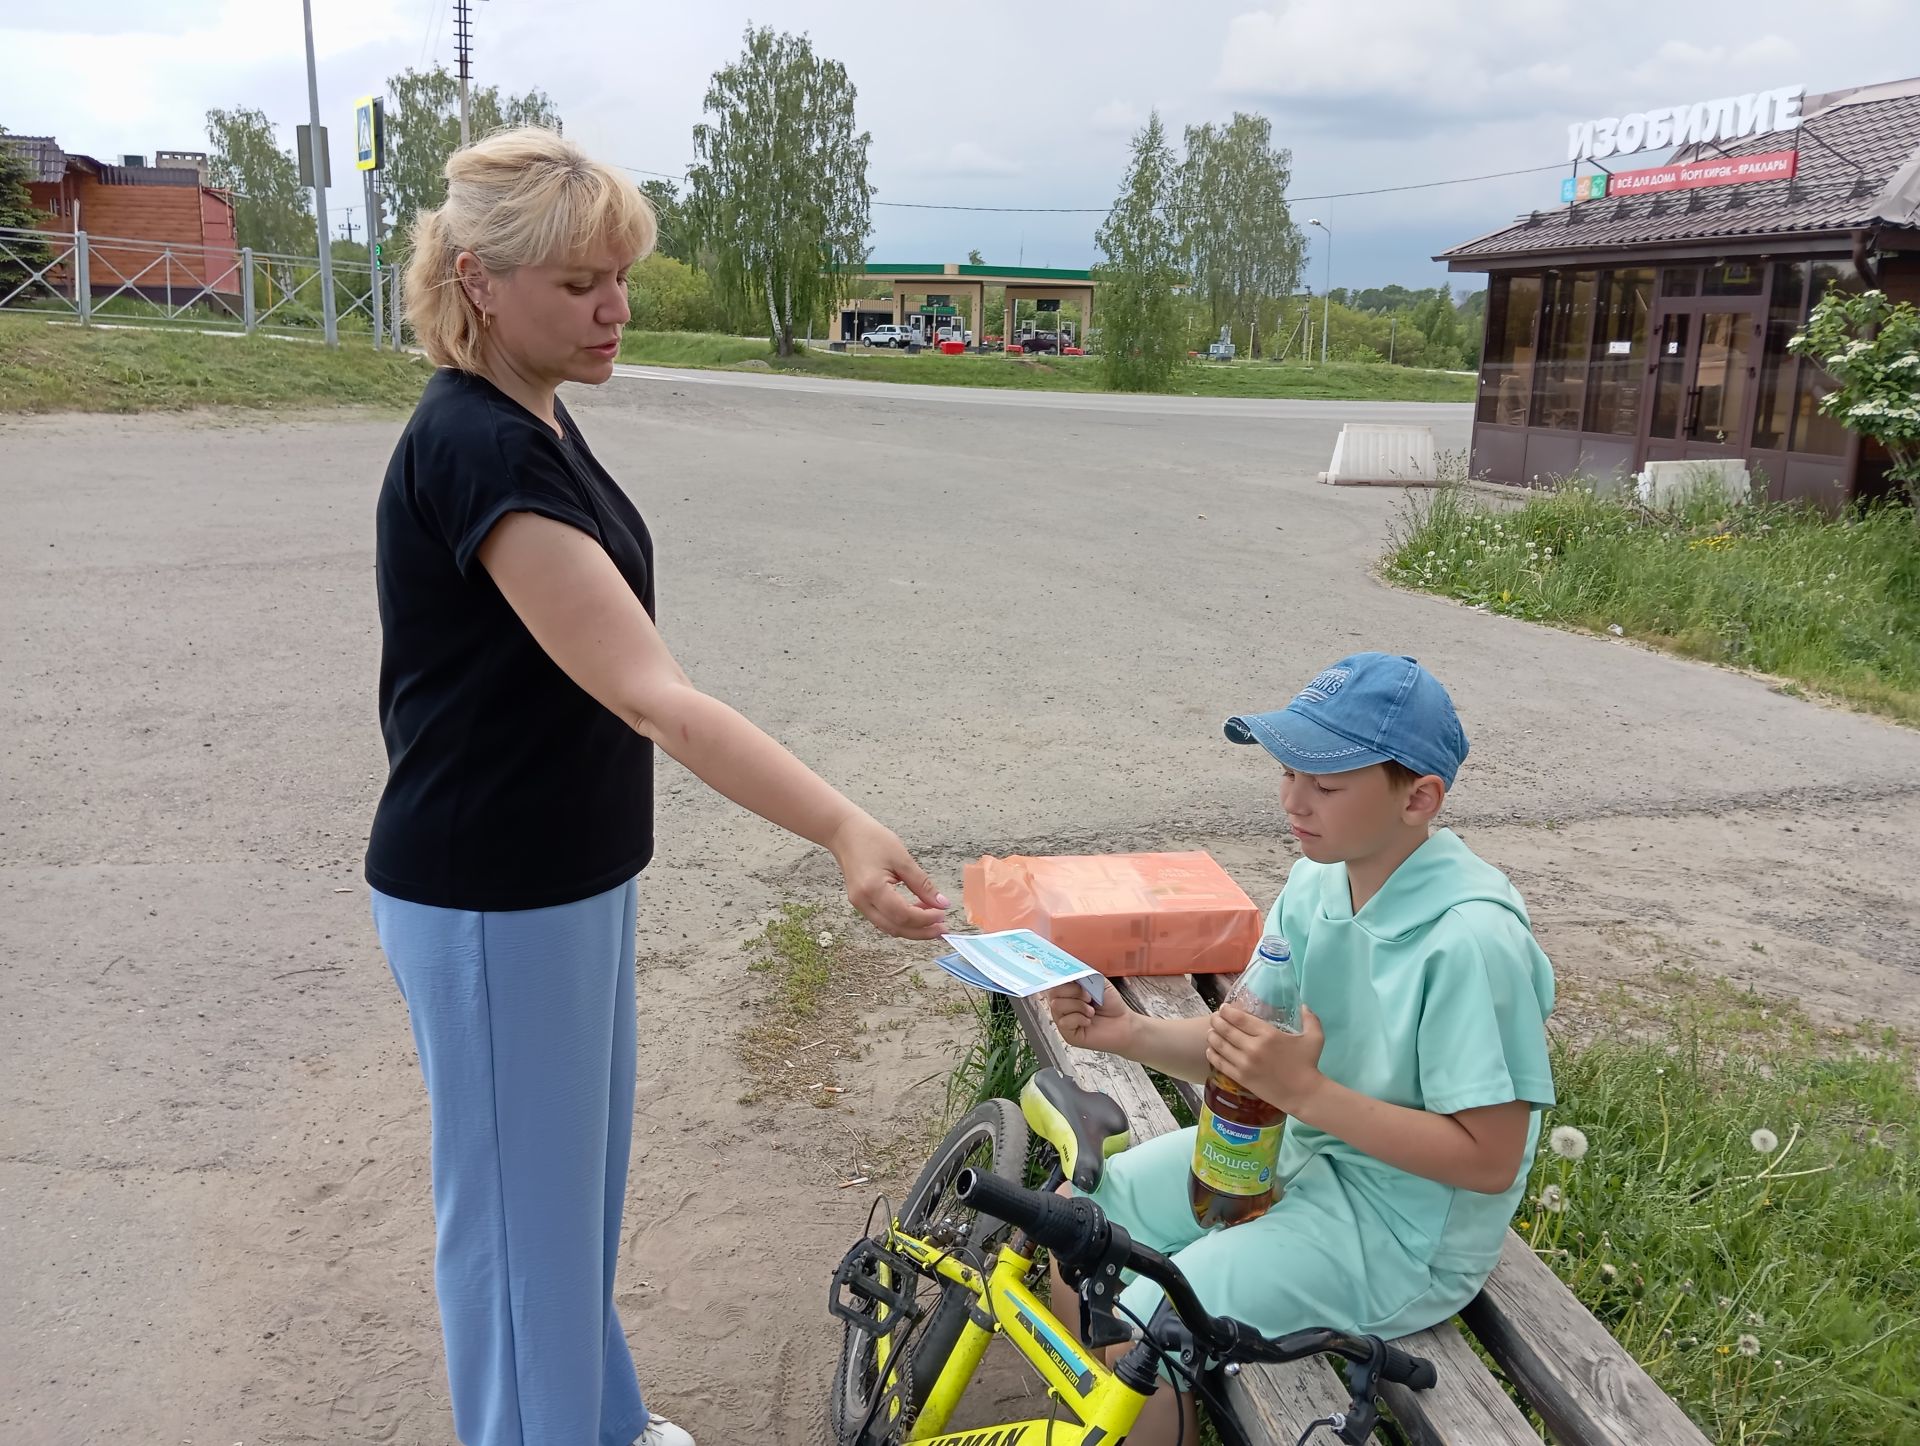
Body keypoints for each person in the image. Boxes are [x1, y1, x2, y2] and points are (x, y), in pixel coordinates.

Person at [365, 128, 949, 1446]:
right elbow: (654, 695)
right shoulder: (479, 447)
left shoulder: (533, 417)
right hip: (492, 892)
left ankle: (604, 1417)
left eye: (620, 275)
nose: (615, 307)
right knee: (519, 1229)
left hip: (565, 878)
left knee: (566, 1200)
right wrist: (842, 826)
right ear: (478, 281)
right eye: (581, 284)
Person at [1045, 653, 1555, 1445]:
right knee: (1081, 1224)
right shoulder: (1317, 885)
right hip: (1292, 1154)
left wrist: (1306, 1093)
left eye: (1326, 784)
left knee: (1163, 1320)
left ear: (1419, 798)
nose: (1292, 800)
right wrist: (1130, 1033)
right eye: (1286, 772)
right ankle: (1106, 1418)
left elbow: (1489, 1158)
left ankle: (1134, 1412)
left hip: (1398, 1234)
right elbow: (1249, 1056)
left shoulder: (1473, 943)